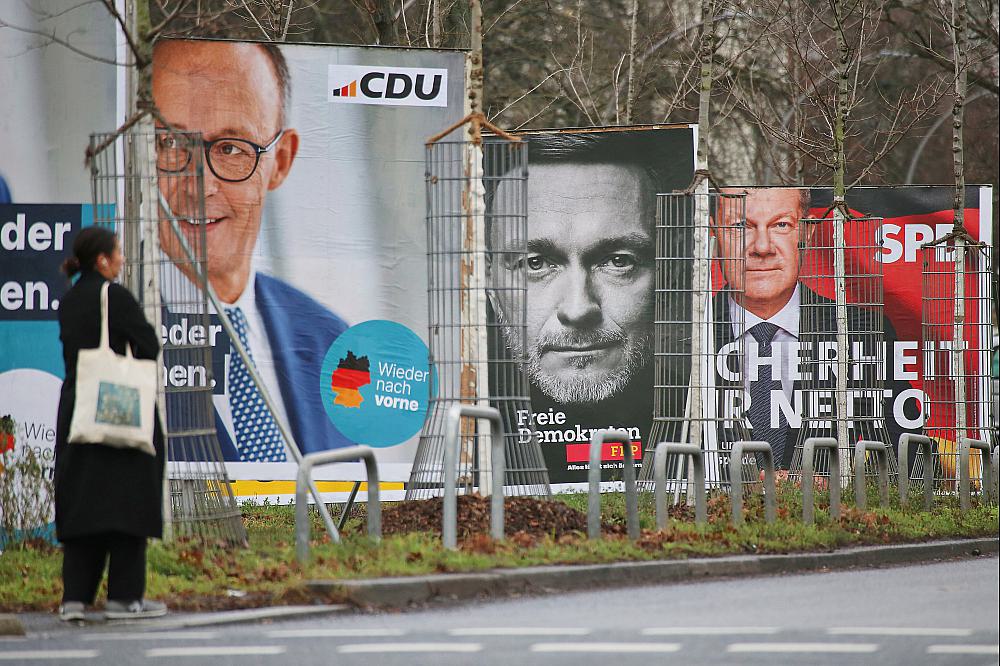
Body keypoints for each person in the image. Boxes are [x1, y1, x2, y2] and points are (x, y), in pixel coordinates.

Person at [152, 40, 350, 461]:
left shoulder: (331, 343)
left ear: (280, 161)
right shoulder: (99, 332)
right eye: (171, 145)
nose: (199, 185)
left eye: (230, 149)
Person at [712, 187, 919, 470]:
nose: (762, 247)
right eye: (740, 227)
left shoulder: (864, 331)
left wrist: (839, 488)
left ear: (806, 232)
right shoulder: (676, 338)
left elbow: (905, 451)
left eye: (781, 225)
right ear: (713, 233)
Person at [54, 226, 167, 621]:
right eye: (117, 252)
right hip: (119, 410)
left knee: (83, 504)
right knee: (128, 501)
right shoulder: (114, 297)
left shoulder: (68, 301)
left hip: (78, 412)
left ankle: (75, 599)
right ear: (102, 260)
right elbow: (149, 344)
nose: (121, 259)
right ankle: (124, 597)